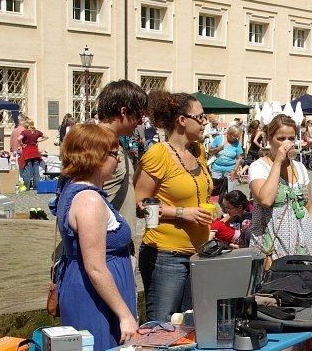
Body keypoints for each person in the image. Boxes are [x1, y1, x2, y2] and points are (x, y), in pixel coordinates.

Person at [55, 123, 138, 351]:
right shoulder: (89, 200)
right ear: (96, 156)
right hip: (95, 300)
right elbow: (96, 268)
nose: (118, 161)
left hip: (94, 293)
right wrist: (125, 315)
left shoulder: (74, 190)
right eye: (114, 154)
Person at [135, 91, 213, 323]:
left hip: (198, 253)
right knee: (163, 324)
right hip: (165, 254)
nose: (205, 122)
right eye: (200, 117)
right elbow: (140, 205)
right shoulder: (158, 154)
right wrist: (182, 213)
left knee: (190, 324)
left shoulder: (197, 151)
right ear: (182, 120)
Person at [248, 114, 312, 259]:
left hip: (304, 244)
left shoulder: (300, 168)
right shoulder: (258, 167)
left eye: (291, 138)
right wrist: (278, 161)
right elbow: (266, 200)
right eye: (281, 139)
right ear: (269, 139)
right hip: (271, 246)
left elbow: (309, 209)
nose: (287, 143)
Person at [97, 80, 149, 233]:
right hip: (107, 248)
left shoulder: (114, 142)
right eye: (139, 115)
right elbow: (87, 199)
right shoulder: (97, 144)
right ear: (123, 112)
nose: (140, 122)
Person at [209, 125, 243, 197]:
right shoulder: (219, 138)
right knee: (214, 191)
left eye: (237, 136)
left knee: (230, 192)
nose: (235, 138)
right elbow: (210, 151)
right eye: (234, 136)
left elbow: (239, 158)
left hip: (230, 170)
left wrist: (235, 171)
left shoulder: (236, 143)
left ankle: (227, 206)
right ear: (228, 133)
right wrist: (218, 149)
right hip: (216, 169)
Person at [18, 119, 46, 190]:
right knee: (36, 170)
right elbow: (46, 137)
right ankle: (36, 186)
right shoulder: (37, 132)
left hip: (27, 152)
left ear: (26, 125)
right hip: (35, 152)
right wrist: (38, 140)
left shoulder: (25, 132)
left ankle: (26, 187)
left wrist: (22, 144)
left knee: (27, 170)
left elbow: (18, 139)